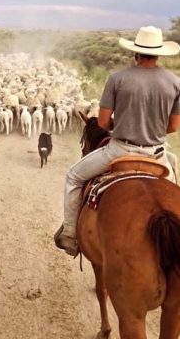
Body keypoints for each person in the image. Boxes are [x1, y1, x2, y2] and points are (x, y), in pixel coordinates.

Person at [54, 26, 180, 257]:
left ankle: (70, 234)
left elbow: (102, 123)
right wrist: (150, 130)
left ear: (136, 53)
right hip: (157, 154)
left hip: (120, 150)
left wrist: (122, 125)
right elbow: (173, 126)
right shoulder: (175, 82)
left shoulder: (118, 79)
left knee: (73, 176)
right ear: (159, 53)